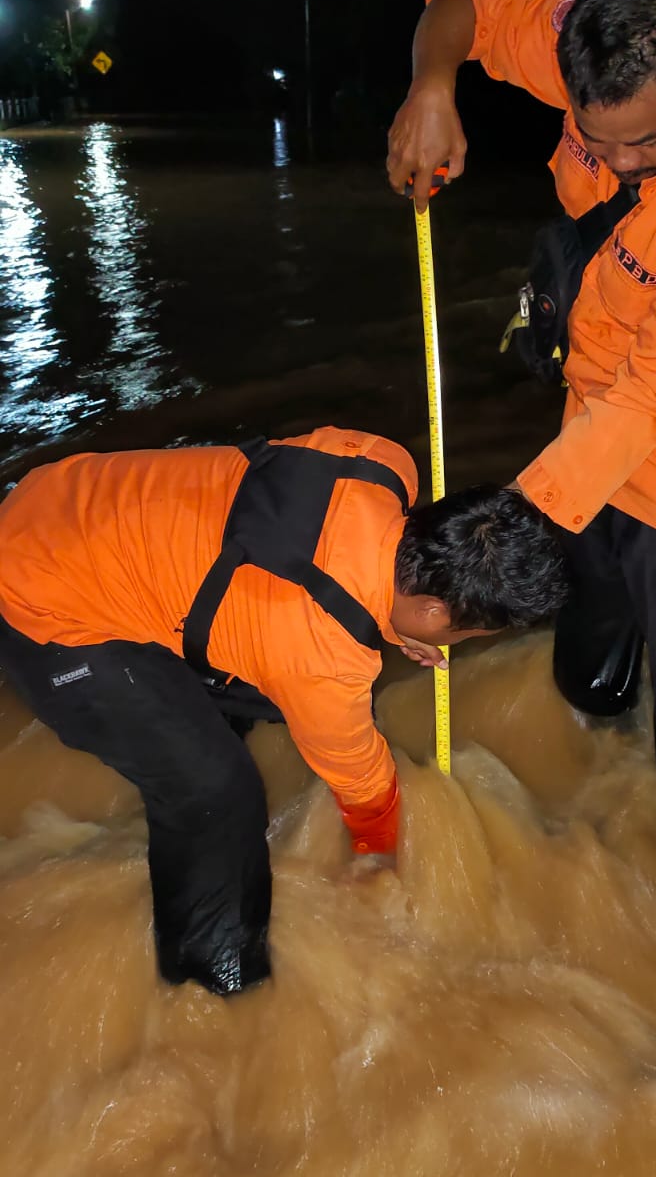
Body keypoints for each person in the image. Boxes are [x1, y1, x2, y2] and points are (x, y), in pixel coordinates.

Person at [387, 0, 656, 853]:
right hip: (586, 436)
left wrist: (500, 541)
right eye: (596, 136)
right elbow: (469, 1)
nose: (619, 161)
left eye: (647, 145)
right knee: (587, 661)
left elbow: (653, 398)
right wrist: (433, 86)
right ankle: (596, 739)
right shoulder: (600, 45)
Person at [0, 426, 569, 996]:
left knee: (276, 682)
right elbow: (358, 774)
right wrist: (380, 852)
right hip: (37, 594)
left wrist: (389, 628)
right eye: (466, 633)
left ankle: (199, 716)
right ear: (431, 611)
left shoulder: (380, 463)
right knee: (216, 791)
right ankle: (211, 980)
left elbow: (315, 566)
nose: (461, 642)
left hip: (64, 494)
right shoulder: (321, 659)